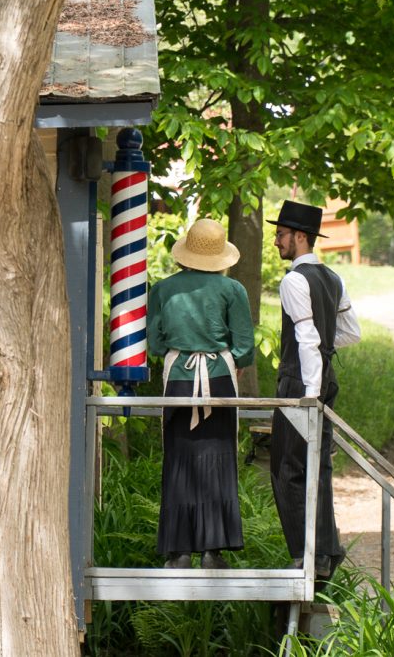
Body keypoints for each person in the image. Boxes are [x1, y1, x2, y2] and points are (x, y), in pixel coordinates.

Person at [147, 218, 255, 570]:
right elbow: (244, 348)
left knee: (178, 458)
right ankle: (213, 551)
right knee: (219, 459)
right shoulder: (233, 290)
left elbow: (155, 342)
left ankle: (178, 552)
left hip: (179, 377)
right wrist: (229, 361)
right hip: (219, 376)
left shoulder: (163, 290)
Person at [267, 200, 361, 582]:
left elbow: (306, 338)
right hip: (324, 376)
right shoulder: (333, 278)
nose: (276, 241)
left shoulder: (294, 280)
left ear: (300, 237)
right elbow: (351, 333)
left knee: (287, 468)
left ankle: (303, 555)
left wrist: (309, 392)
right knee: (318, 465)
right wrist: (324, 363)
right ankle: (325, 551)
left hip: (300, 380)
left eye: (281, 234)